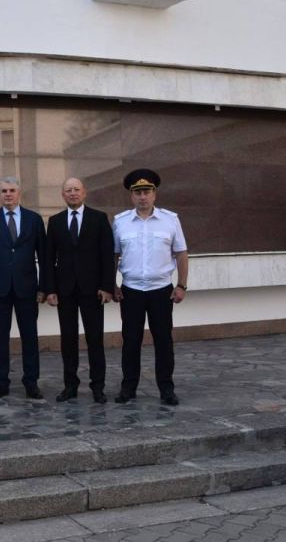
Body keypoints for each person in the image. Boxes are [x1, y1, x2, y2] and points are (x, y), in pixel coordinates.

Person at [113, 169, 188, 406]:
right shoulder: (120, 222)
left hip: (161, 290)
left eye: (147, 192)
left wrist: (182, 285)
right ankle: (128, 388)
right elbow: (114, 255)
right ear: (131, 197)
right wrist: (112, 284)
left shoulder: (170, 220)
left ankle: (166, 388)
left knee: (163, 341)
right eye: (137, 193)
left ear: (155, 194)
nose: (142, 197)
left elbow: (181, 253)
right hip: (131, 290)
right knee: (131, 341)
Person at [44, 178, 114, 404]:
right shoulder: (54, 222)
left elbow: (107, 256)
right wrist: (50, 289)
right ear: (62, 195)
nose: (73, 193)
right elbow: (48, 259)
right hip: (65, 291)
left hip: (92, 290)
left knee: (95, 340)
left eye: (76, 190)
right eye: (68, 191)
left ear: (84, 193)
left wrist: (107, 286)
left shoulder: (99, 218)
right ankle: (70, 386)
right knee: (68, 340)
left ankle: (98, 386)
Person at [0, 176, 47, 400]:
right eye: (3, 191)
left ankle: (31, 382)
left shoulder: (34, 219)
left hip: (27, 287)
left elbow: (44, 255)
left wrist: (44, 287)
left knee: (30, 335)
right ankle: (1, 382)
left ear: (19, 193)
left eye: (12, 190)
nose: (8, 194)